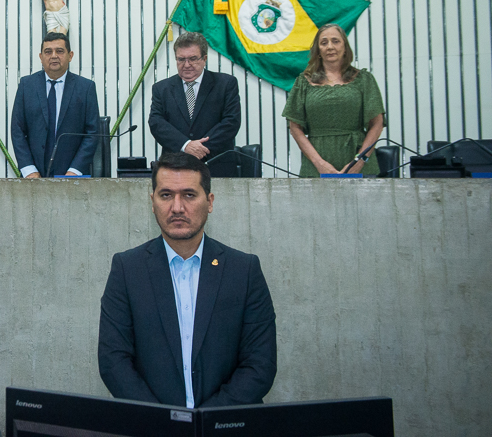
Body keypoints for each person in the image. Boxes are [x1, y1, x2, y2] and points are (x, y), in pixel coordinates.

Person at [98, 152, 277, 407]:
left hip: (225, 426)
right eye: (166, 195)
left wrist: (205, 424)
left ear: (210, 201)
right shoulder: (127, 269)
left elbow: (260, 364)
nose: (177, 207)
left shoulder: (244, 270)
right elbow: (113, 362)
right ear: (152, 201)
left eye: (189, 195)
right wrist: (165, 424)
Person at [282, 23, 385, 176]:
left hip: (358, 163)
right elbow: (295, 128)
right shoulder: (303, 82)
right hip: (315, 164)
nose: (330, 46)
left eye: (335, 41)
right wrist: (319, 163)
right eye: (324, 42)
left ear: (345, 47)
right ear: (318, 51)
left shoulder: (364, 79)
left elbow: (377, 123)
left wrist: (359, 161)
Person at [149, 32, 241, 177]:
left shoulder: (225, 84)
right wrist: (186, 145)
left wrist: (199, 148)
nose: (187, 65)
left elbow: (231, 122)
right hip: (174, 168)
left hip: (216, 166)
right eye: (181, 59)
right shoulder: (161, 88)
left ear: (204, 58)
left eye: (192, 59)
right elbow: (156, 123)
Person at [10, 32, 100, 177]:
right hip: (34, 175)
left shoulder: (86, 88)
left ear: (70, 56)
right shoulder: (27, 86)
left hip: (72, 176)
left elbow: (92, 133)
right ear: (41, 57)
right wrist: (29, 169)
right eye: (48, 52)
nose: (53, 56)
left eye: (59, 51)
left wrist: (74, 171)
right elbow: (17, 130)